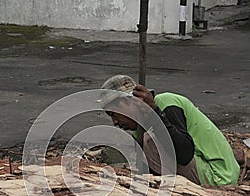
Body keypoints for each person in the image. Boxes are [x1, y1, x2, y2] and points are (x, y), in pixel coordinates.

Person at [99, 75, 240, 186]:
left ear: (128, 102)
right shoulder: (139, 128)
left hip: (218, 175)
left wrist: (153, 114)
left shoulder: (166, 103)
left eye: (114, 114)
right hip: (200, 170)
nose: (115, 123)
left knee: (151, 140)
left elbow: (184, 154)